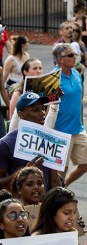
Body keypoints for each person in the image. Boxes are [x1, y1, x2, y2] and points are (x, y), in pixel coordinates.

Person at [0, 92, 58, 192]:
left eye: (43, 109)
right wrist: (23, 172)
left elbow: (54, 183)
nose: (42, 113)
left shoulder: (48, 141)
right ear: (21, 114)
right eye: (35, 110)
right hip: (19, 205)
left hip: (44, 205)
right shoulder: (6, 144)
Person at [52, 44, 87, 187]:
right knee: (62, 169)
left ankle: (62, 187)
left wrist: (81, 122)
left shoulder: (77, 74)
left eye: (75, 54)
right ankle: (55, 196)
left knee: (85, 164)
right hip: (60, 131)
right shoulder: (53, 78)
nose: (75, 57)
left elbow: (79, 100)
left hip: (78, 129)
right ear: (60, 59)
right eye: (71, 55)